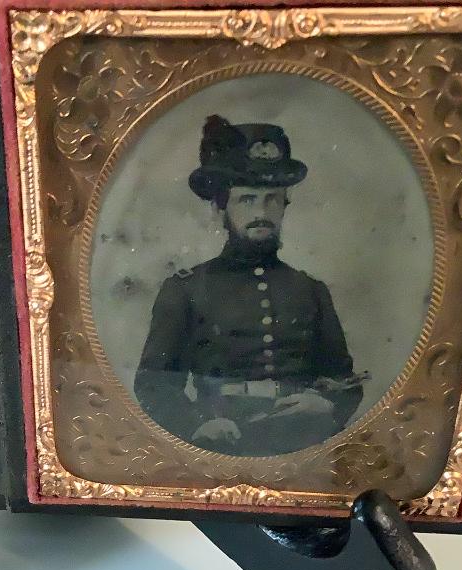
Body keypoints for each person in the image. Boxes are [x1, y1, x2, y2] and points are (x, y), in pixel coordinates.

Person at [133, 115, 366, 457]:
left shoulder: (310, 290)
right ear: (219, 208)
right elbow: (154, 384)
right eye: (247, 200)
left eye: (273, 199)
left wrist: (326, 405)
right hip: (222, 441)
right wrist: (196, 423)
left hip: (305, 443)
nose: (262, 211)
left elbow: (343, 379)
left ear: (285, 206)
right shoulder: (185, 290)